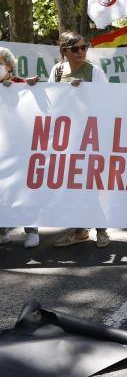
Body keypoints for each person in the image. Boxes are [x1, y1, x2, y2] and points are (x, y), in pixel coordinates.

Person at [43, 32, 112, 248]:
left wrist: (86, 93)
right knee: (73, 185)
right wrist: (36, 87)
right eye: (75, 49)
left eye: (84, 47)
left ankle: (101, 230)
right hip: (66, 138)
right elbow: (50, 100)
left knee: (91, 182)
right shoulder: (57, 71)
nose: (81, 52)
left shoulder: (95, 72)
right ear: (64, 51)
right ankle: (80, 230)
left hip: (90, 136)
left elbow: (108, 101)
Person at [0, 47, 40, 248]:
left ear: (9, 66)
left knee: (24, 189)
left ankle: (32, 231)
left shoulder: (19, 84)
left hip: (20, 148)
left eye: (0, 63)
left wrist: (28, 86)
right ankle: (2, 232)